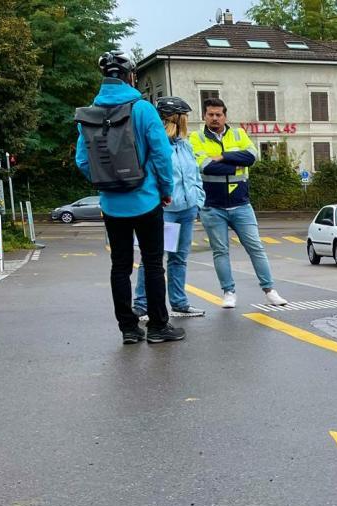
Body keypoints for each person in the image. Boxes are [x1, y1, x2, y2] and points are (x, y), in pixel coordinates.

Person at [75, 51, 185, 345]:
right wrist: (164, 190)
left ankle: (129, 329)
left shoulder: (88, 114)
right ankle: (159, 327)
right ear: (129, 76)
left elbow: (83, 161)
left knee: (120, 266)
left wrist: (105, 183)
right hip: (146, 199)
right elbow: (162, 154)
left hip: (112, 205)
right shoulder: (143, 109)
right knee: (152, 263)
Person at [190, 97, 287, 308]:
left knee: (256, 248)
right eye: (210, 115)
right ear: (204, 116)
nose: (215, 118)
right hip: (212, 206)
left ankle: (270, 291)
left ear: (225, 116)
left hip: (241, 204)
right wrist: (235, 164)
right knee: (220, 251)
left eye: (219, 115)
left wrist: (222, 156)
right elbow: (204, 166)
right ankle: (228, 292)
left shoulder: (238, 134)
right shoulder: (196, 138)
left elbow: (251, 157)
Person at [133, 97, 206, 318]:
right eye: (185, 117)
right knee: (152, 259)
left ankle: (179, 302)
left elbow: (194, 176)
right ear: (177, 118)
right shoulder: (155, 145)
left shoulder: (186, 145)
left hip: (187, 209)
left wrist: (198, 201)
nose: (187, 121)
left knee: (179, 258)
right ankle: (142, 304)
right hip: (164, 210)